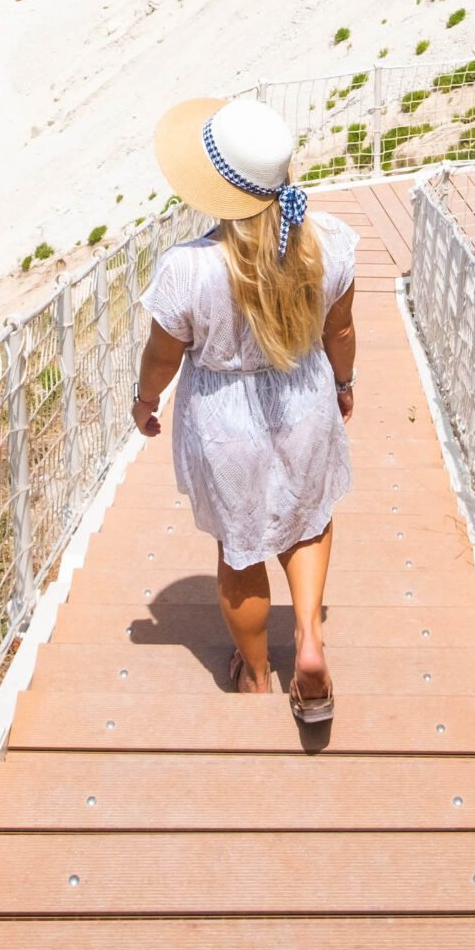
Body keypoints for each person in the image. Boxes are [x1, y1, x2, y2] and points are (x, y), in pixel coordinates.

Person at [133, 95, 355, 720]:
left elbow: (162, 355)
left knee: (241, 549)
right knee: (308, 522)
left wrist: (145, 401)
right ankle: (309, 641)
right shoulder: (330, 243)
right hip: (304, 399)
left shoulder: (188, 268)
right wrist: (345, 382)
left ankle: (256, 675)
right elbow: (339, 331)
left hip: (225, 422)